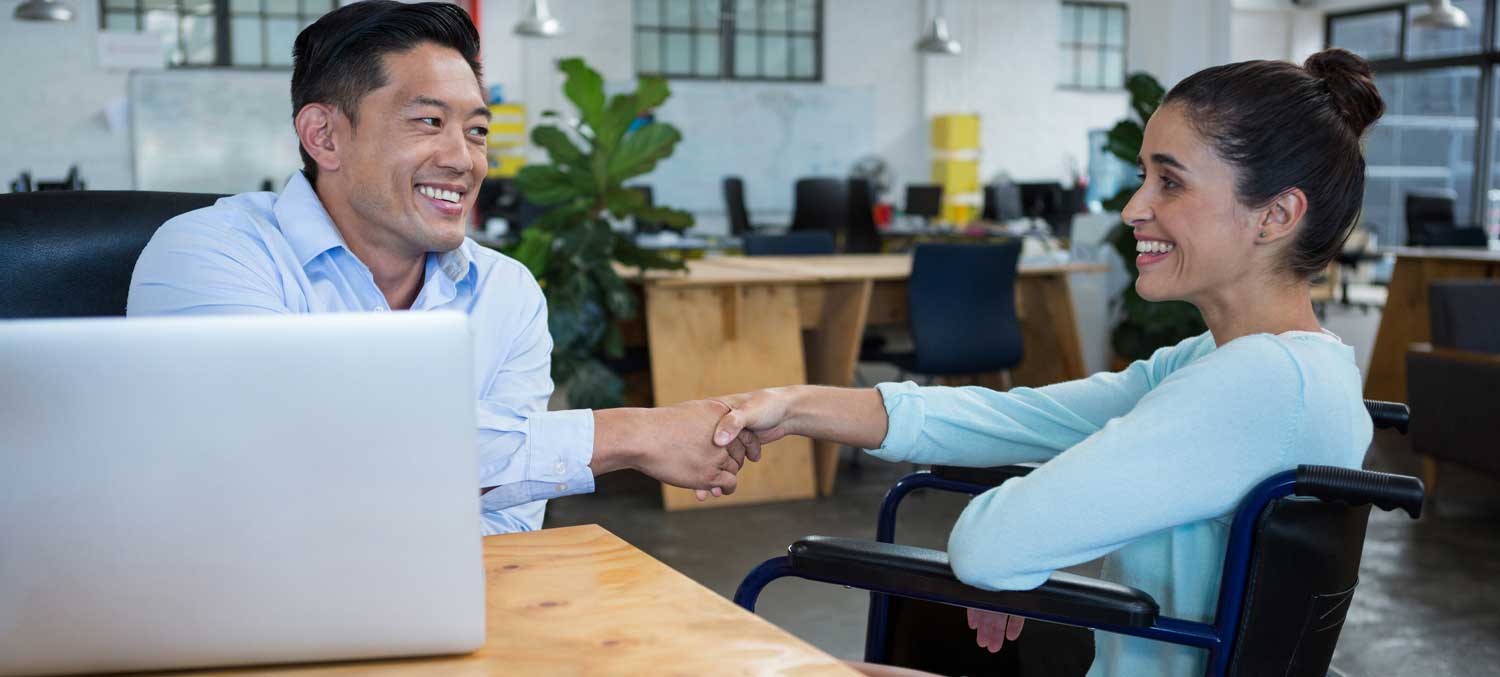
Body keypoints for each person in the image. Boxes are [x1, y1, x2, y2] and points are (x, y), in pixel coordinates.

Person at [707, 48, 1384, 677]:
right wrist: (795, 406)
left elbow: (991, 545)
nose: (1132, 208)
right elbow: (1016, 418)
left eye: (1169, 182)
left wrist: (1017, 558)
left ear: (1276, 214)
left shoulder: (1254, 385)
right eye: (1144, 175)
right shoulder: (1267, 369)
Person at [127, 0, 747, 534]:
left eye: (477, 131)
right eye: (428, 122)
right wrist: (630, 435)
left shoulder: (508, 293)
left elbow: (504, 523)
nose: (463, 159)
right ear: (324, 136)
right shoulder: (210, 254)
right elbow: (286, 447)